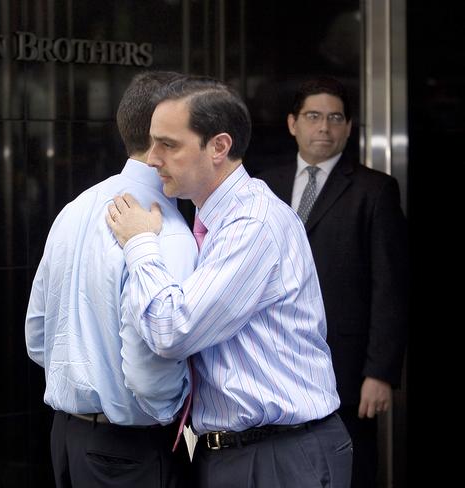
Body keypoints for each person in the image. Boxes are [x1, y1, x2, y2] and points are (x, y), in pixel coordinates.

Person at [106, 75, 352, 488]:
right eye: (152, 142)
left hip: (279, 457)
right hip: (242, 453)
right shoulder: (213, 220)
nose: (151, 158)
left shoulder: (251, 223)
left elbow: (172, 330)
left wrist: (140, 244)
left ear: (218, 146)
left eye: (169, 144)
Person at [25, 71, 198, 488]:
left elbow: (37, 337)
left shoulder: (75, 208)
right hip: (131, 447)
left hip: (68, 439)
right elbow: (149, 367)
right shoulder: (164, 228)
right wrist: (176, 413)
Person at [255, 76, 409, 488]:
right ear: (292, 123)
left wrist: (380, 372)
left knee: (348, 470)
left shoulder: (375, 191)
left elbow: (390, 288)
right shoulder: (263, 186)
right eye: (313, 116)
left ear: (348, 127)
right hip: (272, 360)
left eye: (335, 118)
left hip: (346, 366)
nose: (324, 127)